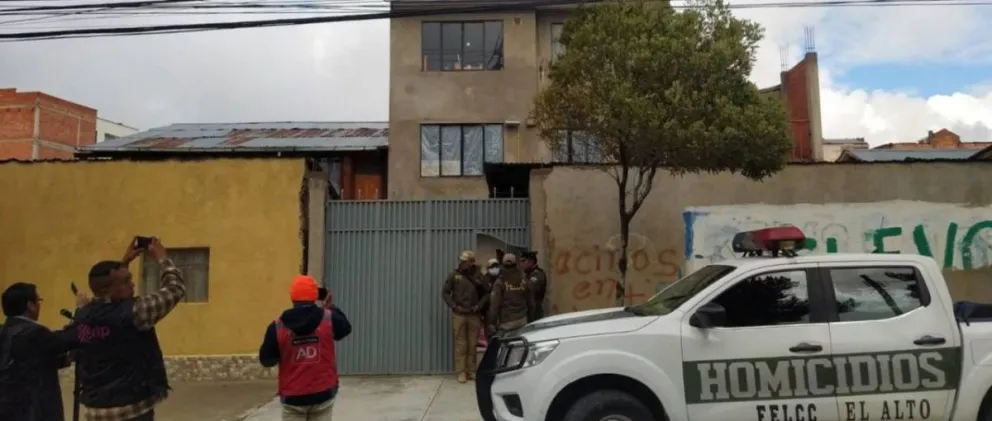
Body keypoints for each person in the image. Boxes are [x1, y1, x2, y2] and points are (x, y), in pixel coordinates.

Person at [73, 237, 186, 421]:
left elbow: (107, 295)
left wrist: (123, 263)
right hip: (131, 410)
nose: (132, 284)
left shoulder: (82, 314)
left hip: (96, 411)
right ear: (107, 290)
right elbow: (176, 289)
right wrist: (162, 258)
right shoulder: (135, 312)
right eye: (126, 281)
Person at [259, 275, 352, 421]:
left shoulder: (277, 327)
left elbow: (267, 360)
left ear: (292, 297)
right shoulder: (329, 318)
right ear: (315, 295)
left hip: (293, 397)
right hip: (323, 393)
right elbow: (345, 329)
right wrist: (331, 307)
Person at [0, 282, 84, 421]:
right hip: (35, 411)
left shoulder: (4, 331)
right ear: (30, 305)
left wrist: (64, 358)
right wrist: (82, 310)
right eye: (38, 300)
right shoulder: (34, 332)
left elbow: (27, 361)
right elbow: (71, 338)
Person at [441, 250, 488, 383]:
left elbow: (487, 293)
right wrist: (453, 306)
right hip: (459, 314)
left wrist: (479, 306)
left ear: (471, 262)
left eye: (464, 261)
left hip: (474, 314)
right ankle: (461, 372)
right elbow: (445, 292)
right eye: (461, 261)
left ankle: (471, 371)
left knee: (472, 344)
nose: (461, 263)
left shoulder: (479, 275)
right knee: (460, 344)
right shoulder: (454, 275)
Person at [488, 253, 536, 336]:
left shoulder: (500, 282)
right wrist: (531, 318)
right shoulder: (523, 280)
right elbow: (531, 302)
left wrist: (492, 322)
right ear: (515, 264)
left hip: (506, 324)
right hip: (522, 321)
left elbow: (494, 305)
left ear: (503, 265)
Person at [520, 251, 549, 322]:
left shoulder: (538, 274)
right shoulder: (527, 274)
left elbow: (530, 289)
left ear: (531, 261)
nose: (521, 264)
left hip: (535, 311)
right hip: (528, 310)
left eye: (524, 261)